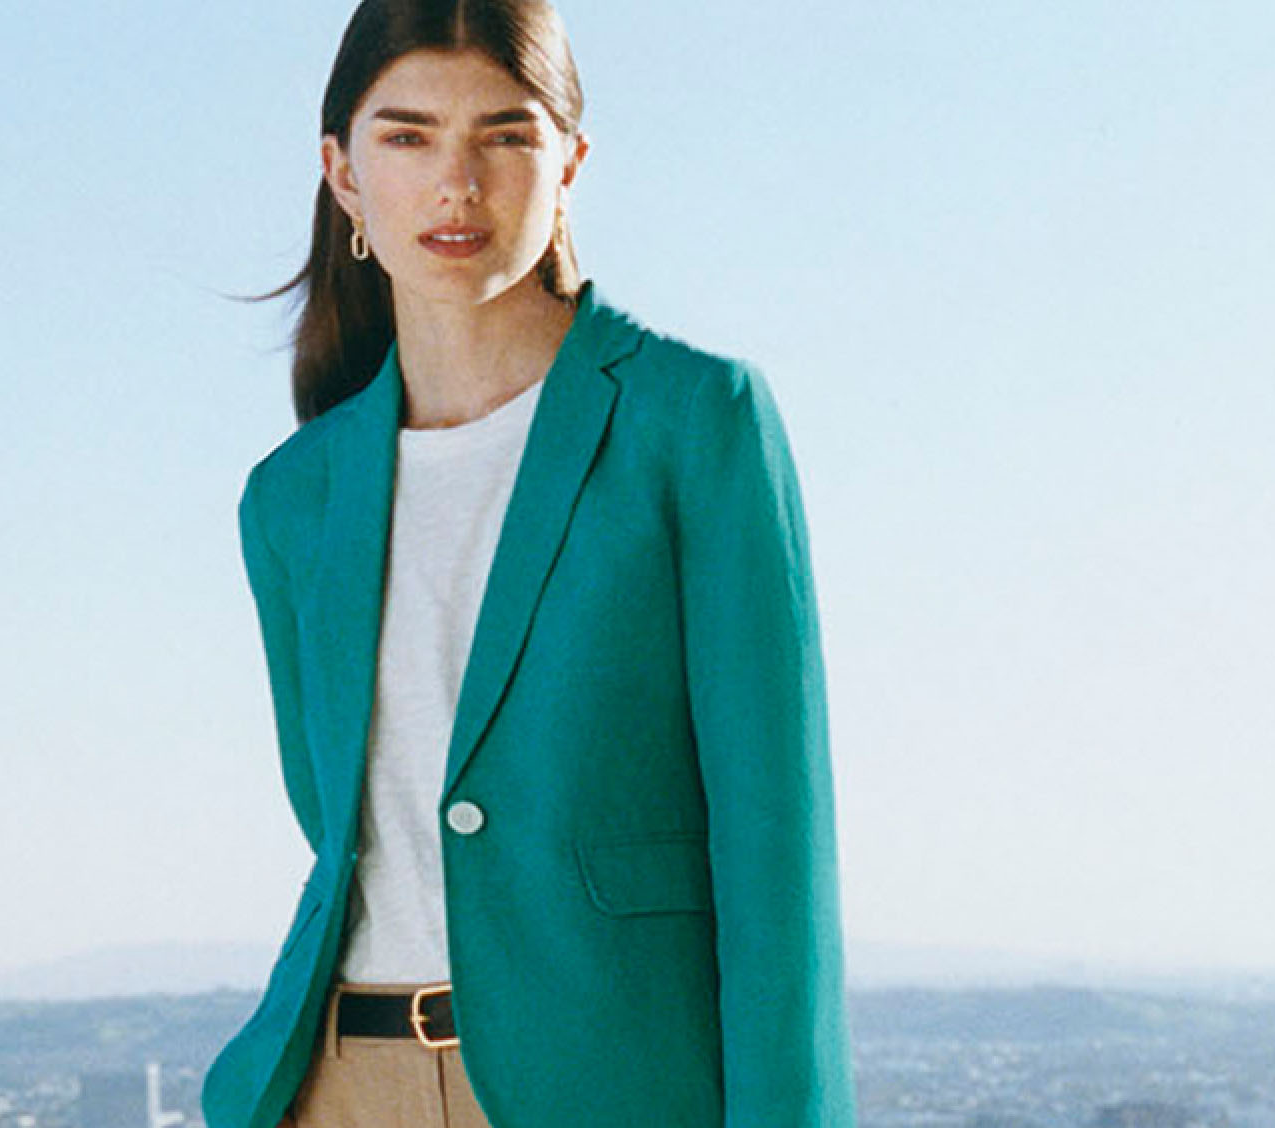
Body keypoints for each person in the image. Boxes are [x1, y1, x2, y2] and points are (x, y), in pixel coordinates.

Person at [200, 2, 854, 1126]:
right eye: (406, 137)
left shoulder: (695, 425)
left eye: (504, 134)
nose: (457, 182)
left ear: (570, 163)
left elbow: (776, 870)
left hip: (611, 1087)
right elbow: (336, 828)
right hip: (340, 1082)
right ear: (343, 175)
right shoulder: (291, 499)